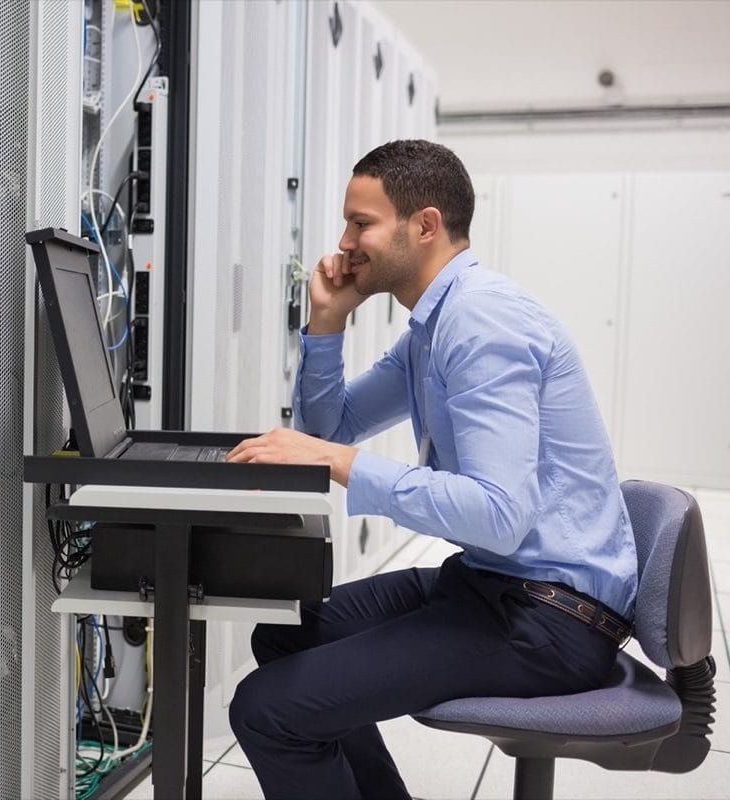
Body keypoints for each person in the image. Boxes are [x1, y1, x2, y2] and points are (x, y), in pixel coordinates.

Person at [225, 139, 637, 800]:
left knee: (265, 709)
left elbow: (498, 516)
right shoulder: (430, 329)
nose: (345, 241)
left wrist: (338, 464)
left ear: (424, 226)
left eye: (362, 223)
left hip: (551, 621)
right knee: (285, 634)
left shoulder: (480, 321)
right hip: (493, 584)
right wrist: (326, 325)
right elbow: (328, 427)